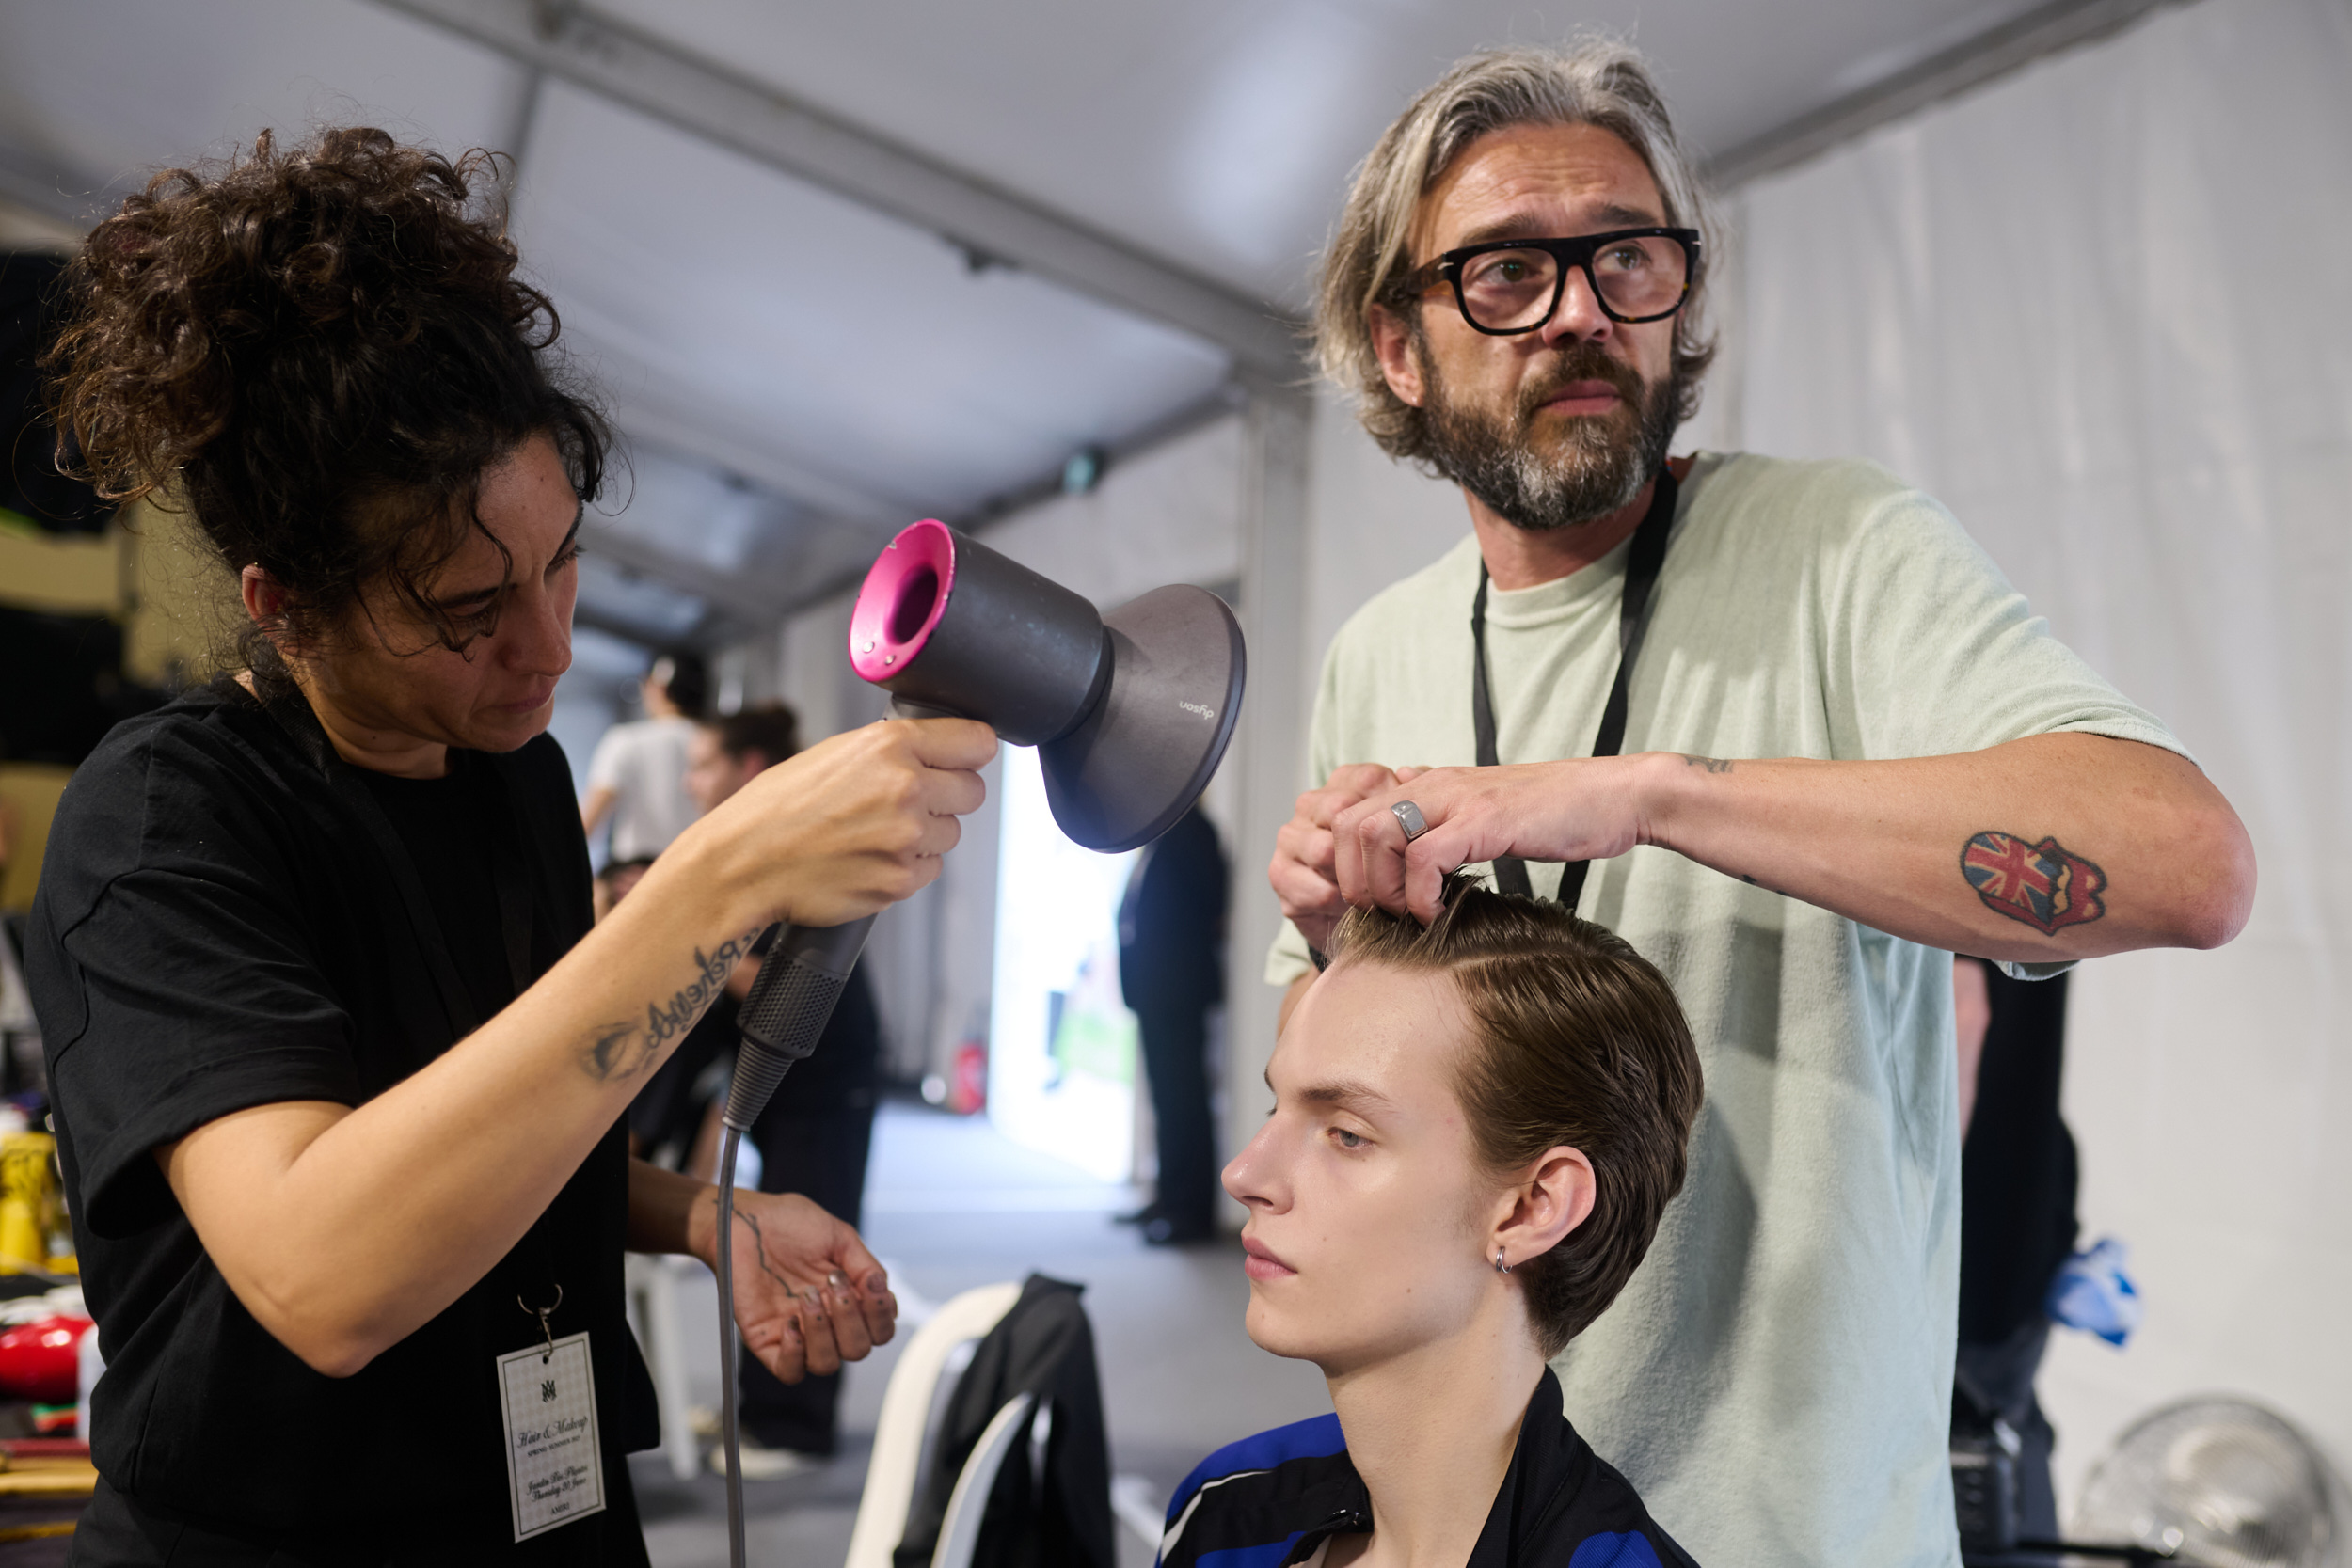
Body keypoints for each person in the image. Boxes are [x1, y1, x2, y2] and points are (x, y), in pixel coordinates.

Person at [1264, 42, 2257, 1568]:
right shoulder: (1380, 650)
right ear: (1398, 343)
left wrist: (1648, 793)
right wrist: (1345, 945)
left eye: (1627, 257)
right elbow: (1331, 1113)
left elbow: (2186, 861)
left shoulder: (1834, 549)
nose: (1584, 309)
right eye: (1510, 272)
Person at [24, 128, 994, 1562]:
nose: (547, 647)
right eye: (468, 609)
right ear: (284, 603)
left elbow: (517, 1132)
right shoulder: (168, 819)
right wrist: (714, 883)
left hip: (550, 1499)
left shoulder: (517, 777)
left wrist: (699, 1214)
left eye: (561, 564)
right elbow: (321, 1269)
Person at [1163, 879, 1702, 1567]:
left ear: (1531, 1207)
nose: (1243, 1175)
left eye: (1347, 1134)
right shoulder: (1226, 1514)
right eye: (1277, 1111)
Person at [660, 702, 885, 1477]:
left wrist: (678, 944)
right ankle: (755, 1410)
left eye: (702, 765)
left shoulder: (795, 843)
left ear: (747, 766)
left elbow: (788, 981)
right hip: (785, 1076)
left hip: (830, 1073)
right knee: (763, 1238)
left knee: (812, 1246)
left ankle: (793, 1428)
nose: (691, 783)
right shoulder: (744, 844)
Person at [1115, 802, 1227, 1245]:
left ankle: (1190, 1211)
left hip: (1179, 992)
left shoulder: (1195, 832)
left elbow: (1210, 908)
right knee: (1165, 1100)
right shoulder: (1158, 835)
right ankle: (1167, 1196)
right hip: (1154, 992)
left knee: (1185, 1101)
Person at [580, 651, 706, 863]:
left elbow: (585, 827)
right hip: (697, 879)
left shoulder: (626, 741)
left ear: (657, 687)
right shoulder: (715, 745)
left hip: (636, 880)